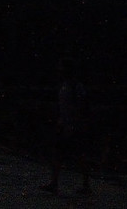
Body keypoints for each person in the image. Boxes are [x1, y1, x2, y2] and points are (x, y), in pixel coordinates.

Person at [42, 59, 91, 196]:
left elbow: (80, 107)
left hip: (73, 126)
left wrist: (75, 124)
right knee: (60, 154)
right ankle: (55, 183)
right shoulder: (66, 86)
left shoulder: (75, 87)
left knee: (78, 155)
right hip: (66, 125)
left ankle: (84, 185)